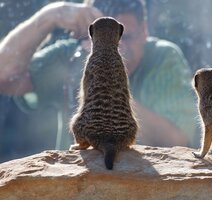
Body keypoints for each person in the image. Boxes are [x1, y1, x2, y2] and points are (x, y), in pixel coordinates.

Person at [0, 0, 198, 160]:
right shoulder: (71, 53)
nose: (120, 47)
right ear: (90, 34)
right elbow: (4, 77)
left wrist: (107, 83)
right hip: (74, 179)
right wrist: (50, 16)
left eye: (126, 37)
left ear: (145, 29)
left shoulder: (163, 57)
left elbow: (179, 140)